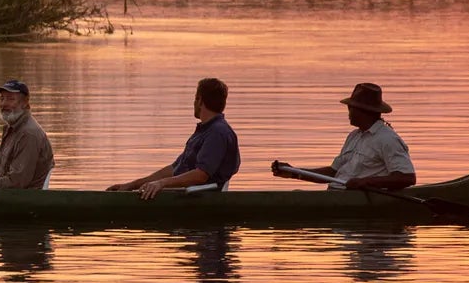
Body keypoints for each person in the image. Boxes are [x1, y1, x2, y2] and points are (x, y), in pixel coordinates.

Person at [107, 77, 241, 200]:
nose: (194, 103)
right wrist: (131, 185)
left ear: (200, 101)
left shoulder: (217, 133)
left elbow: (201, 175)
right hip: (187, 193)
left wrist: (162, 183)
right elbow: (174, 169)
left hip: (199, 196)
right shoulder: (204, 131)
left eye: (195, 98)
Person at [271, 82, 416, 192]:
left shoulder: (387, 139)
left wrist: (365, 182)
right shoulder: (354, 136)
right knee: (298, 193)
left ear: (363, 111)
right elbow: (333, 172)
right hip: (336, 194)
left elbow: (407, 178)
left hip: (357, 198)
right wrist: (294, 172)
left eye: (351, 108)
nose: (348, 113)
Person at [0, 80, 54, 191]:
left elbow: (16, 182)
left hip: (23, 201)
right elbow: (0, 177)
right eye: (2, 98)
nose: (4, 104)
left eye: (10, 99)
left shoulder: (28, 134)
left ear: (25, 102)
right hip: (5, 196)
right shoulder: (12, 129)